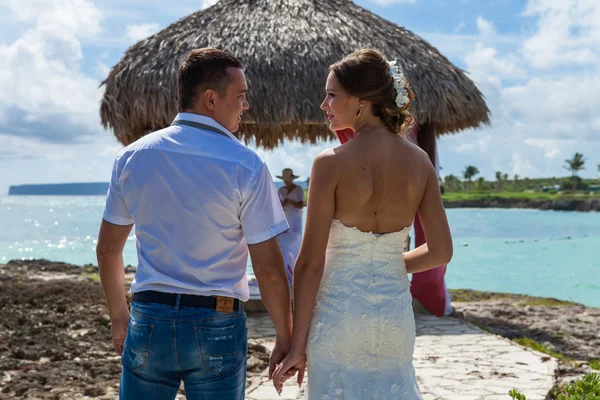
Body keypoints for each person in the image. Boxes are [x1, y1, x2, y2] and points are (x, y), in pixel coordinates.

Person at [96, 48, 294, 400]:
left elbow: (109, 248)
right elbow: (269, 268)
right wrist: (284, 336)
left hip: (149, 317)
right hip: (216, 321)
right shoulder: (246, 165)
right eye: (241, 96)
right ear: (211, 99)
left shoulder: (132, 156)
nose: (245, 105)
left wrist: (119, 318)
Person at [272, 49, 453, 398]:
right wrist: (388, 263)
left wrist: (297, 345)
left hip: (339, 317)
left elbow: (310, 264)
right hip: (393, 318)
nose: (324, 104)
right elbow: (441, 251)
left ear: (361, 100)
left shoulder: (330, 164)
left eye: (331, 94)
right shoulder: (421, 162)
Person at [276, 168, 305, 287]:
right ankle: (286, 276)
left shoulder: (298, 189)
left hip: (296, 221)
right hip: (284, 221)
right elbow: (277, 206)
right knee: (283, 248)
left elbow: (301, 204)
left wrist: (290, 202)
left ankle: (295, 275)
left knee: (295, 248)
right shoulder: (280, 190)